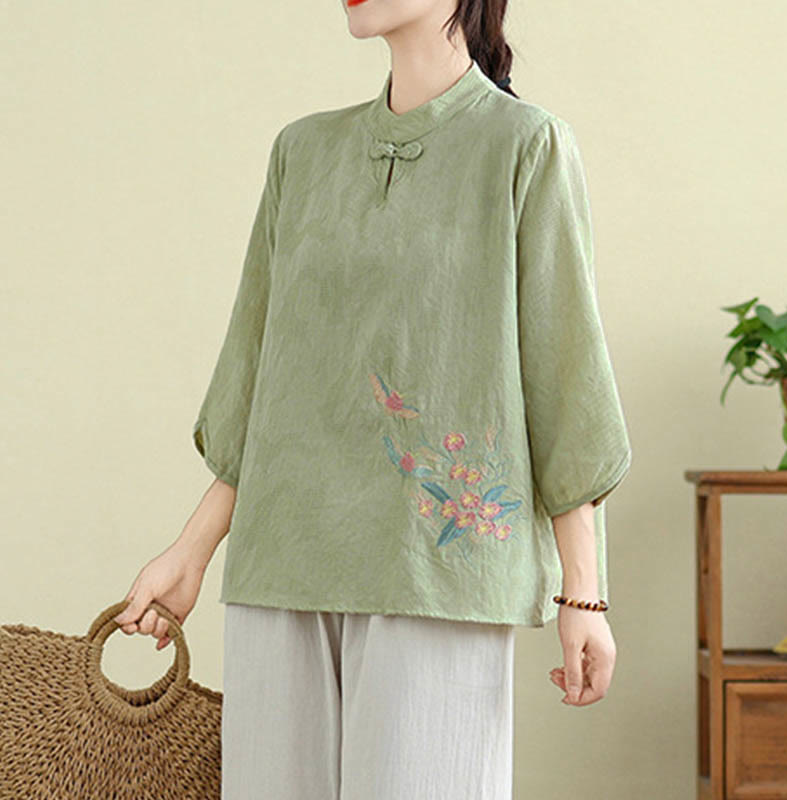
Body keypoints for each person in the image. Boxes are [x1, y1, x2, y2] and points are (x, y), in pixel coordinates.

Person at [113, 0, 633, 797]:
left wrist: (584, 594)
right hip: (281, 568)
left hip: (434, 576)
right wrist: (190, 553)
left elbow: (566, 377)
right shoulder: (302, 154)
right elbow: (261, 374)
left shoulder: (524, 147)